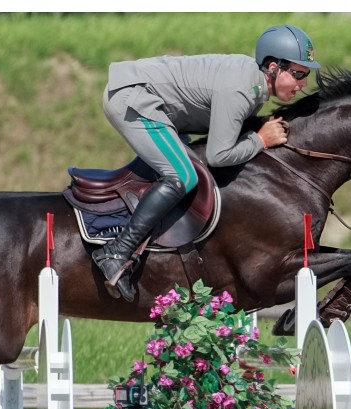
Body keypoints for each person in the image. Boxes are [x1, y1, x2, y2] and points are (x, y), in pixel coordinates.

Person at [92, 24, 321, 301]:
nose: (303, 83)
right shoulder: (242, 90)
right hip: (132, 98)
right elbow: (219, 155)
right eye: (298, 74)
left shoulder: (253, 85)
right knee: (182, 176)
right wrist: (260, 140)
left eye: (306, 75)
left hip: (149, 100)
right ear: (273, 67)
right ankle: (116, 252)